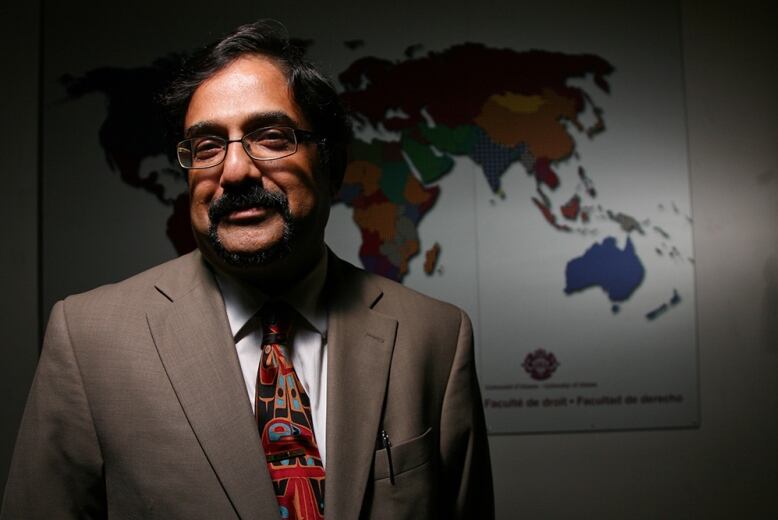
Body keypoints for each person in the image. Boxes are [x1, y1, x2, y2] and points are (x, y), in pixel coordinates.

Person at [1, 21, 493, 520]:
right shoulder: (88, 339)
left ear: (333, 165)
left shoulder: (435, 336)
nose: (234, 172)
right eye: (208, 146)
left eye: (271, 137)